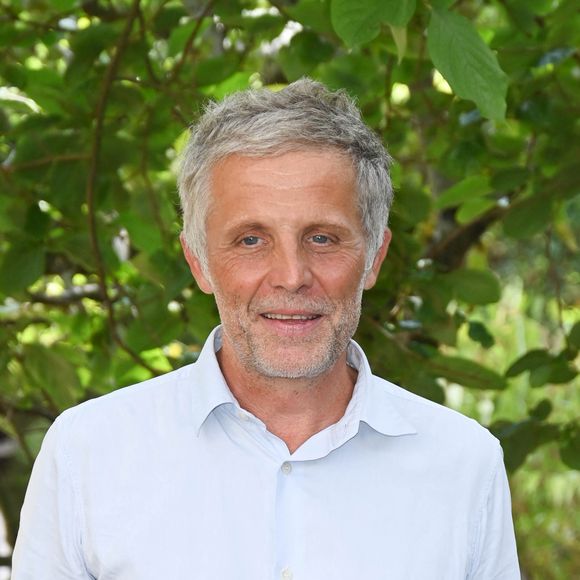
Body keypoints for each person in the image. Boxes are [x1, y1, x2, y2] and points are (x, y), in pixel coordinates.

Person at [12, 79, 520, 579]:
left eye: (322, 237)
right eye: (251, 240)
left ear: (373, 258)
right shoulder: (87, 454)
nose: (291, 277)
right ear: (200, 263)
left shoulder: (464, 464)